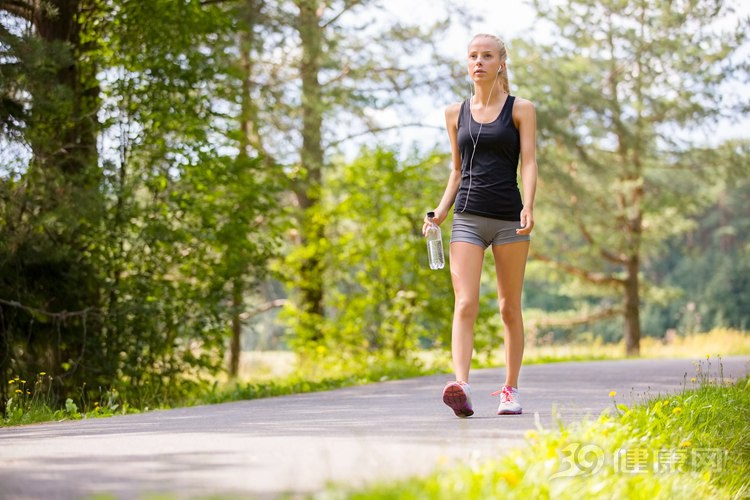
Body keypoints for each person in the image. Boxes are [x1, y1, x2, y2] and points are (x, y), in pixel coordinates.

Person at [423, 33, 537, 417]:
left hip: (509, 218)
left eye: (487, 56)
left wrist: (530, 206)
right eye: (473, 56)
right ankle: (462, 385)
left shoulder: (521, 109)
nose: (479, 62)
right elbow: (457, 171)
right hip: (468, 218)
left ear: (500, 63)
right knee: (466, 302)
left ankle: (510, 390)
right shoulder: (455, 113)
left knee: (509, 308)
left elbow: (530, 162)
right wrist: (439, 212)